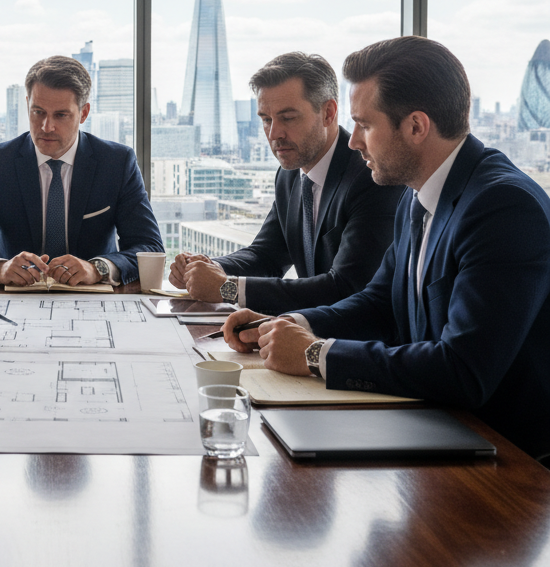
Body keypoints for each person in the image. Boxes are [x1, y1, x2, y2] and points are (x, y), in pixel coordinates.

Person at [224, 36, 550, 458]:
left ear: (416, 126)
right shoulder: (418, 194)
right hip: (437, 428)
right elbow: (378, 304)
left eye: (365, 125)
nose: (354, 141)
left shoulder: (503, 207)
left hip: (507, 461)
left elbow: (463, 370)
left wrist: (313, 353)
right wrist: (288, 323)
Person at [170, 52, 403, 314]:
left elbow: (346, 287)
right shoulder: (290, 173)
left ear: (328, 113)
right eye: (266, 119)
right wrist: (205, 268)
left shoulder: (371, 177)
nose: (274, 134)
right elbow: (267, 255)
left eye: (288, 118)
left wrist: (228, 288)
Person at [0, 55, 163, 287]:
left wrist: (97, 268)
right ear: (28, 104)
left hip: (94, 297)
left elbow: (149, 247)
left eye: (60, 115)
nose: (46, 126)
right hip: (15, 298)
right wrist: (0, 268)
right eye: (38, 112)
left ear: (84, 113)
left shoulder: (117, 163)